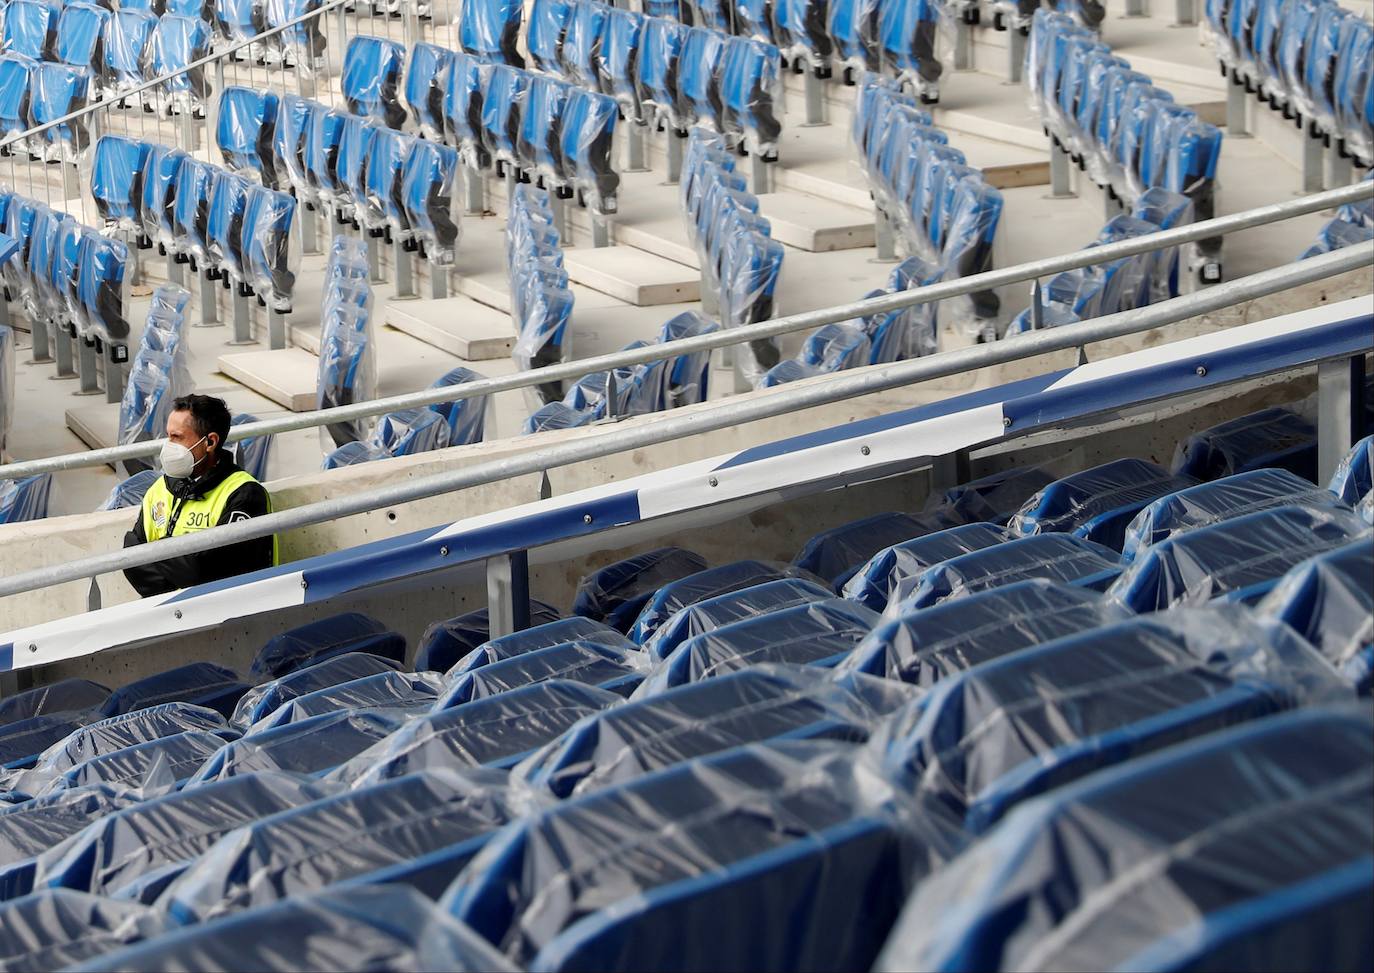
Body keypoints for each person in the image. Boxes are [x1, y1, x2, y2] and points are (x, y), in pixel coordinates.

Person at [123, 394, 277, 597]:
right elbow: (132, 558)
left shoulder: (244, 494)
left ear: (210, 442)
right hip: (165, 608)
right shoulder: (160, 488)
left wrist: (157, 552)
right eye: (168, 436)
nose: (168, 446)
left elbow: (214, 571)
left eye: (177, 437)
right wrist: (181, 569)